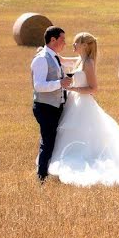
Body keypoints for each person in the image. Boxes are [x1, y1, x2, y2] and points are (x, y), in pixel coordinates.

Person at [47, 32, 119, 186]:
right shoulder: (80, 60)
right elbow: (62, 60)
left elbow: (93, 88)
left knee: (85, 134)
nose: (73, 45)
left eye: (76, 42)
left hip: (84, 103)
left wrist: (73, 89)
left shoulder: (88, 63)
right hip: (75, 102)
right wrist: (46, 52)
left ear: (84, 45)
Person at [30, 26, 74, 183]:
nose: (65, 43)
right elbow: (39, 86)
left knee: (53, 140)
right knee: (48, 142)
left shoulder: (55, 57)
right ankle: (41, 177)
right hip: (45, 107)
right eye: (62, 39)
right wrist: (60, 83)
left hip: (56, 106)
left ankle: (50, 172)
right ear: (53, 40)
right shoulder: (41, 59)